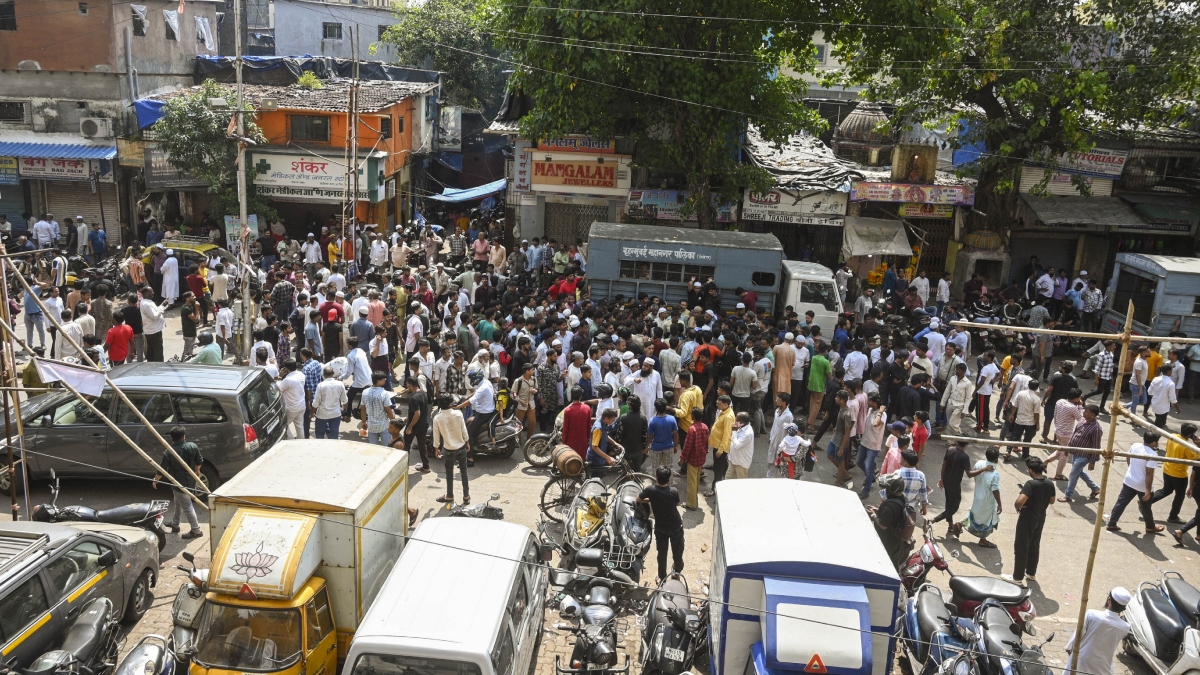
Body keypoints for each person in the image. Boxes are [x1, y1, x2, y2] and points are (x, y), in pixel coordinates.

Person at [1004, 456, 1055, 585]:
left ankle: (1017, 578)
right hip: (1040, 517)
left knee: (1021, 547)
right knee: (1034, 545)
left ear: (1031, 470)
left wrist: (1018, 505)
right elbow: (1052, 500)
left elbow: (1019, 502)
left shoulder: (1030, 484)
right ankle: (1031, 573)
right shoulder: (1049, 483)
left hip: (1027, 519)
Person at [151, 425, 204, 539]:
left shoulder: (169, 452)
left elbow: (162, 469)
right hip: (189, 480)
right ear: (184, 436)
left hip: (178, 482)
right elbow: (199, 460)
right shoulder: (192, 446)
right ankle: (175, 524)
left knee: (188, 507)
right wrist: (197, 471)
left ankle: (196, 530)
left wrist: (156, 480)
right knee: (178, 503)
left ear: (171, 437)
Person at [1064, 588, 1132, 675]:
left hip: (1081, 660)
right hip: (1103, 667)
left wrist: (1069, 647)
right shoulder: (1125, 627)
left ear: (1109, 600)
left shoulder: (1091, 615)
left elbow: (1078, 634)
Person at [1106, 432, 1164, 534]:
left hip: (1129, 480)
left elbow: (1128, 457)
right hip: (1142, 484)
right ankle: (1150, 527)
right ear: (1154, 442)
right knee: (1146, 507)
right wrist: (1148, 490)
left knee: (1121, 502)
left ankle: (1112, 523)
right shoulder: (1152, 454)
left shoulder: (1135, 445)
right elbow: (1149, 473)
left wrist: (1131, 468)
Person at [638, 466, 685, 582]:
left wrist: (651, 500)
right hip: (676, 526)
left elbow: (638, 500)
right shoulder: (673, 491)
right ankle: (676, 573)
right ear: (669, 479)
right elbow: (677, 503)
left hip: (661, 528)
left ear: (656, 477)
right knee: (678, 552)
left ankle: (662, 577)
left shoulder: (650, 490)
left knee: (662, 554)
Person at [1153, 423, 1199, 525]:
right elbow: (1196, 459)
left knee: (1166, 490)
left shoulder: (1173, 436)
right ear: (1190, 435)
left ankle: (1146, 502)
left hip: (1167, 469)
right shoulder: (1186, 446)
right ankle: (1173, 517)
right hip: (1179, 474)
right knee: (1179, 495)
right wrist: (1198, 446)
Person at [433, 393, 472, 504]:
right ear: (451, 403)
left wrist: (436, 448)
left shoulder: (437, 418)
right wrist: (467, 442)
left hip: (449, 449)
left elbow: (436, 436)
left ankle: (449, 496)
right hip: (461, 446)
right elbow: (464, 430)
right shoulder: (458, 413)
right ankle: (466, 496)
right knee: (464, 471)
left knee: (449, 473)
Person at [1060, 405, 1103, 503]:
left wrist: (1093, 462)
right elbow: (1074, 434)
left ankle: (1068, 495)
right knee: (1079, 472)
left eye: (1086, 411)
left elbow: (1096, 446)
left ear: (1092, 414)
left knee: (1073, 474)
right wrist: (1068, 448)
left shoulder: (1096, 429)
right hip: (1075, 452)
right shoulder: (1082, 421)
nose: (1084, 412)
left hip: (1084, 456)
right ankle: (1095, 488)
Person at [963, 446, 1002, 548]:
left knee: (974, 515)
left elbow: (972, 473)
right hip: (987, 502)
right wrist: (999, 504)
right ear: (996, 459)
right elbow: (995, 490)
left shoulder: (979, 463)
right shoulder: (994, 474)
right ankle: (983, 540)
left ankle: (960, 525)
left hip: (977, 496)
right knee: (985, 522)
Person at [872, 473, 911, 569]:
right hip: (895, 539)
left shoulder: (889, 507)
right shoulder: (903, 498)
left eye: (886, 488)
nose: (884, 490)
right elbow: (894, 515)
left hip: (887, 540)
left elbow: (883, 525)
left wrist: (874, 516)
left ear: (891, 490)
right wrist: (878, 510)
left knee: (886, 564)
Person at [932, 440, 971, 536]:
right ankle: (933, 520)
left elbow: (944, 466)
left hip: (947, 482)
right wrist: (983, 469)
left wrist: (942, 479)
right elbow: (969, 474)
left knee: (949, 505)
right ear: (966, 444)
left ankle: (950, 527)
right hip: (955, 485)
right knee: (953, 508)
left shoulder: (950, 450)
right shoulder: (965, 457)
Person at [679, 408, 708, 509]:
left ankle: (691, 504)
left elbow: (687, 446)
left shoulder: (692, 429)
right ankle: (694, 498)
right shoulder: (705, 427)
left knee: (691, 482)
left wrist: (682, 459)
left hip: (693, 459)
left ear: (693, 417)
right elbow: (706, 443)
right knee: (696, 480)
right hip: (701, 458)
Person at [706, 395, 734, 492]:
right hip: (717, 445)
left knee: (718, 470)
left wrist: (720, 450)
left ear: (726, 404)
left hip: (720, 448)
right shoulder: (723, 412)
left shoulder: (728, 417)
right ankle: (727, 484)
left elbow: (727, 434)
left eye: (719, 403)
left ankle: (715, 489)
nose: (717, 404)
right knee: (723, 467)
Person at [360, 371, 395, 446]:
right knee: (387, 447)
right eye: (383, 379)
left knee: (373, 447)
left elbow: (363, 409)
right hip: (383, 425)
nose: (385, 379)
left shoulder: (365, 392)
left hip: (371, 425)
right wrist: (393, 422)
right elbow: (388, 411)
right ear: (378, 381)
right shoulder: (384, 394)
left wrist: (363, 422)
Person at [312, 365, 348, 439]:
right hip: (336, 414)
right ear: (333, 373)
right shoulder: (340, 384)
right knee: (334, 435)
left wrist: (311, 413)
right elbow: (344, 401)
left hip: (322, 415)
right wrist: (345, 412)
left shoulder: (320, 385)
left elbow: (316, 403)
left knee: (319, 434)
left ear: (324, 375)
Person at [587, 408, 623, 478]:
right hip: (595, 459)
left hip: (599, 458)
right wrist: (608, 458)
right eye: (612, 420)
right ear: (606, 418)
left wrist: (615, 443)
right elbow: (594, 447)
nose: (613, 422)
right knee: (596, 480)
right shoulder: (598, 428)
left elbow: (605, 435)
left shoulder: (603, 423)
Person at [278, 359, 307, 439]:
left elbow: (278, 389)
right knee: (300, 426)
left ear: (286, 369)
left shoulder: (288, 380)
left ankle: (291, 442)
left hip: (291, 408)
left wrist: (280, 376)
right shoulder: (301, 374)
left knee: (284, 426)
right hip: (301, 406)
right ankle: (301, 442)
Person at [617, 397, 649, 471]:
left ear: (630, 406)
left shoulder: (623, 417)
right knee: (637, 470)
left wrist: (618, 446)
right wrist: (644, 447)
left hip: (625, 449)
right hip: (638, 449)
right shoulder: (643, 418)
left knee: (626, 470)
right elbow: (645, 435)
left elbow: (619, 434)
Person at [647, 399, 680, 469]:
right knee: (669, 468)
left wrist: (647, 447)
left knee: (655, 469)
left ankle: (655, 480)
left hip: (656, 448)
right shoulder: (672, 419)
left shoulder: (652, 421)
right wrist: (676, 445)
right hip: (669, 447)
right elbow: (675, 434)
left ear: (656, 409)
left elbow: (651, 436)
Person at [728, 412, 754, 479]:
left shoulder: (747, 433)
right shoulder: (740, 427)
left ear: (742, 422)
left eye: (736, 420)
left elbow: (737, 445)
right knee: (727, 480)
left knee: (741, 484)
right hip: (733, 460)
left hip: (741, 463)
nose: (735, 422)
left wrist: (733, 431)